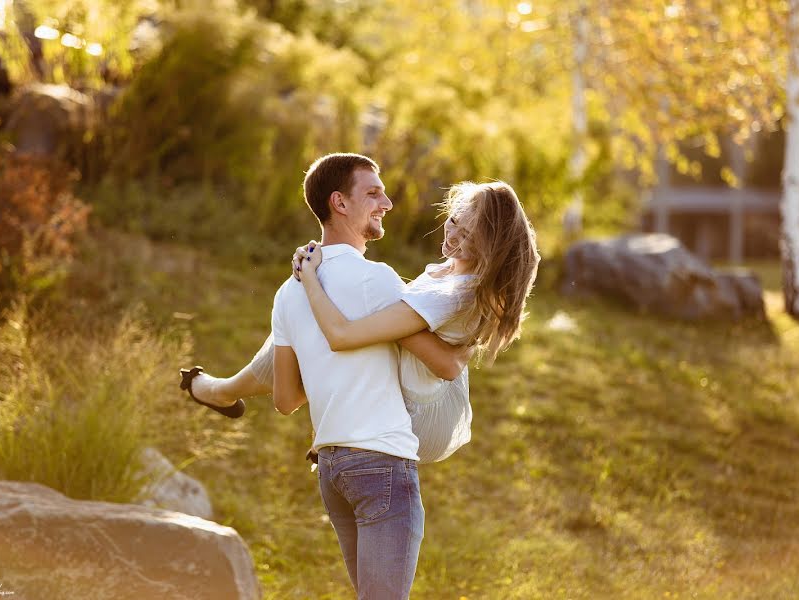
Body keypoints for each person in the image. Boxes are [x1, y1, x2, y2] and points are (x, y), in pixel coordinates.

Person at [185, 153, 470, 599]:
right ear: (339, 202)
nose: (387, 203)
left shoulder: (288, 291)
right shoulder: (378, 280)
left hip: (333, 469)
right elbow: (445, 364)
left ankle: (214, 389)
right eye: (373, 193)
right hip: (382, 465)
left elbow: (284, 399)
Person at [289, 180, 539, 463]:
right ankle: (230, 389)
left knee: (357, 308)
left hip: (420, 418)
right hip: (429, 388)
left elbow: (341, 335)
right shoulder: (454, 270)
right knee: (360, 303)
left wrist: (310, 276)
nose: (453, 235)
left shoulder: (452, 295)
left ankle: (240, 390)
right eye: (454, 220)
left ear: (489, 246)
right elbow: (448, 359)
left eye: (467, 234)